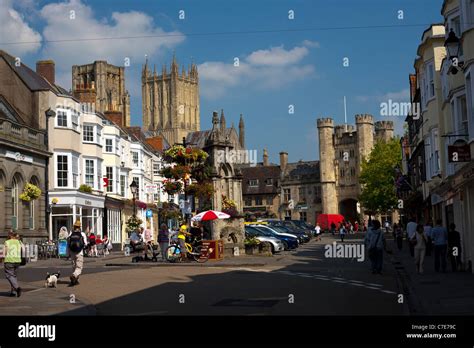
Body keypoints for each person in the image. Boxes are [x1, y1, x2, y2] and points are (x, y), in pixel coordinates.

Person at [4, 231, 24, 297]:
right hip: (17, 260)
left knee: (9, 275)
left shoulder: (7, 242)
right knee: (14, 276)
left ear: (10, 235)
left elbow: (5, 252)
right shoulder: (19, 242)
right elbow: (23, 250)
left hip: (9, 260)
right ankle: (13, 292)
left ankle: (17, 288)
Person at [67, 220, 88, 286]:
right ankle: (74, 276)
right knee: (79, 267)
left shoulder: (70, 234)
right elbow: (85, 244)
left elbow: (68, 244)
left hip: (72, 253)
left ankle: (75, 281)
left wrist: (68, 253)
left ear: (74, 226)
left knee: (74, 267)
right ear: (79, 227)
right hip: (79, 253)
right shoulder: (82, 234)